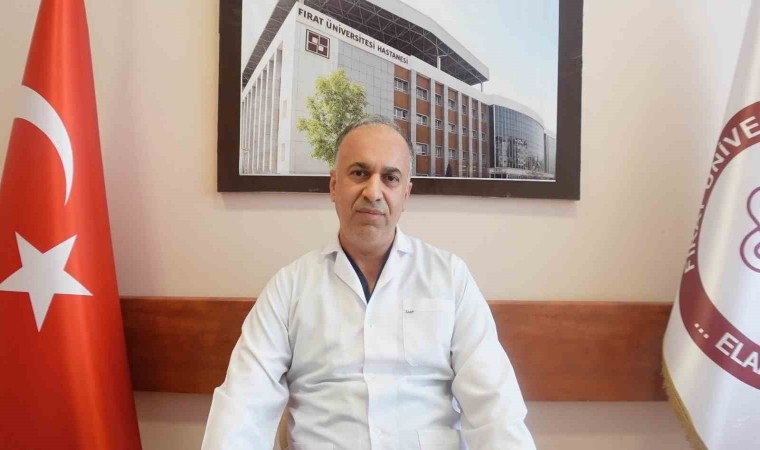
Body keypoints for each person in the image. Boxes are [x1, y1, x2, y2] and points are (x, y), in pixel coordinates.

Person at [202, 115, 535, 450]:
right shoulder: (290, 287)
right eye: (359, 173)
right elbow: (243, 404)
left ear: (406, 194)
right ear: (334, 186)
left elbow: (495, 407)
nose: (373, 192)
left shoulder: (449, 277)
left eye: (390, 178)